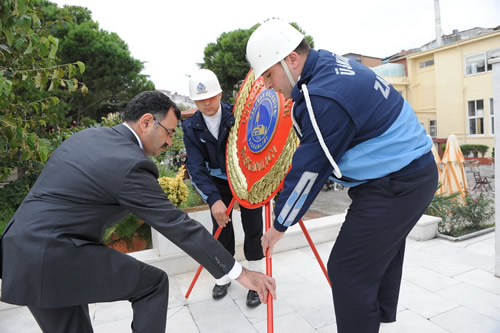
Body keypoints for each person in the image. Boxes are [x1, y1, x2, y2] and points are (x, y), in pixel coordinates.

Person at [0, 90, 276, 333]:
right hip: (56, 254)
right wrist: (240, 273)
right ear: (146, 122)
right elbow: (177, 225)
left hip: (21, 255)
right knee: (153, 285)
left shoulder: (87, 138)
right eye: (168, 131)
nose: (170, 142)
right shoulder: (129, 163)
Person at [246, 20, 438, 333]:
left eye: (269, 74)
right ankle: (372, 320)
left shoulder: (325, 97)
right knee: (374, 259)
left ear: (291, 60)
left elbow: (311, 168)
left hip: (398, 181)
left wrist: (279, 224)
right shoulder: (328, 65)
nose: (267, 84)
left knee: (347, 269)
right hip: (405, 172)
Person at [183, 69, 264, 307]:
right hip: (217, 182)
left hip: (247, 177)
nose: (207, 103)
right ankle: (224, 276)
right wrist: (213, 199)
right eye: (200, 99)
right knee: (221, 230)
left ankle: (257, 278)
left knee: (253, 226)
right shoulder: (191, 127)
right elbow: (196, 168)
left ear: (220, 93)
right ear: (194, 101)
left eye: (211, 96)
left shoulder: (239, 114)